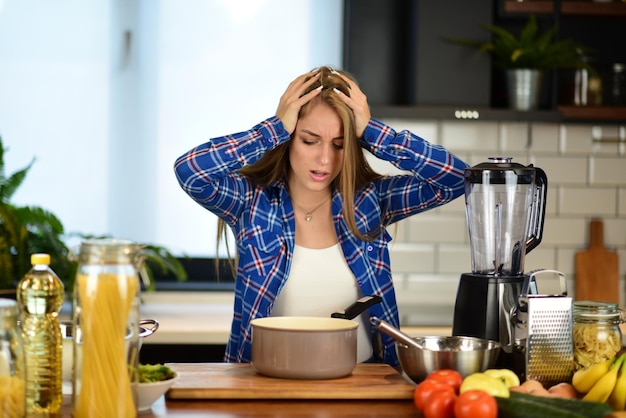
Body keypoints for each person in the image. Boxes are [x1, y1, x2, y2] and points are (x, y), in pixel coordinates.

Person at [174, 66, 469, 366]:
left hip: (363, 385)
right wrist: (272, 129)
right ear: (289, 138)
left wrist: (373, 133)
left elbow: (458, 178)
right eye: (309, 140)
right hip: (266, 383)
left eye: (339, 144)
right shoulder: (251, 201)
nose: (325, 159)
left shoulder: (370, 201)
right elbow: (190, 171)